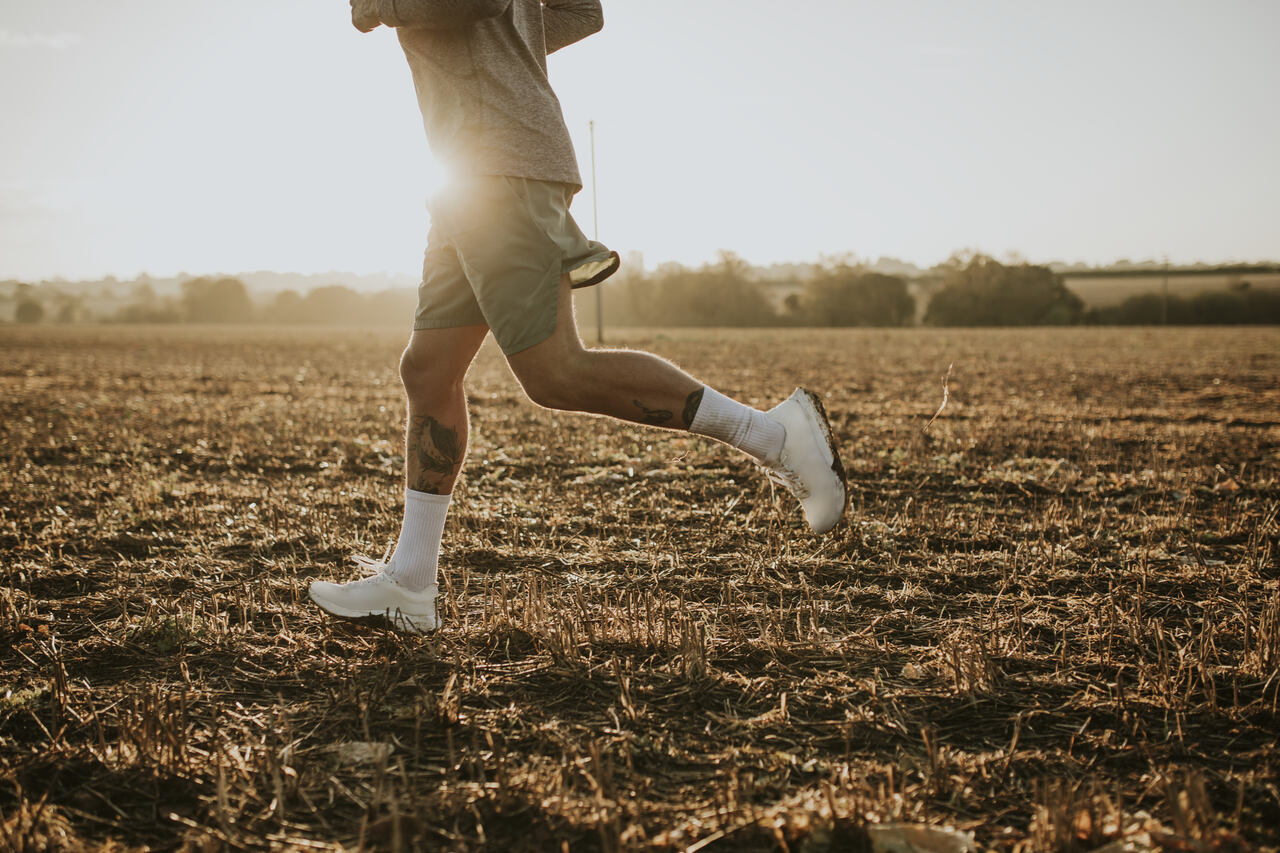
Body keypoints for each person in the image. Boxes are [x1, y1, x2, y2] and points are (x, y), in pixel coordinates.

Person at [308, 0, 846, 633]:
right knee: (428, 369)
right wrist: (513, 44)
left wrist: (383, 7)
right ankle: (410, 583)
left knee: (555, 372)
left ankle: (775, 437)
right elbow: (579, 11)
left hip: (499, 163)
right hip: (471, 169)